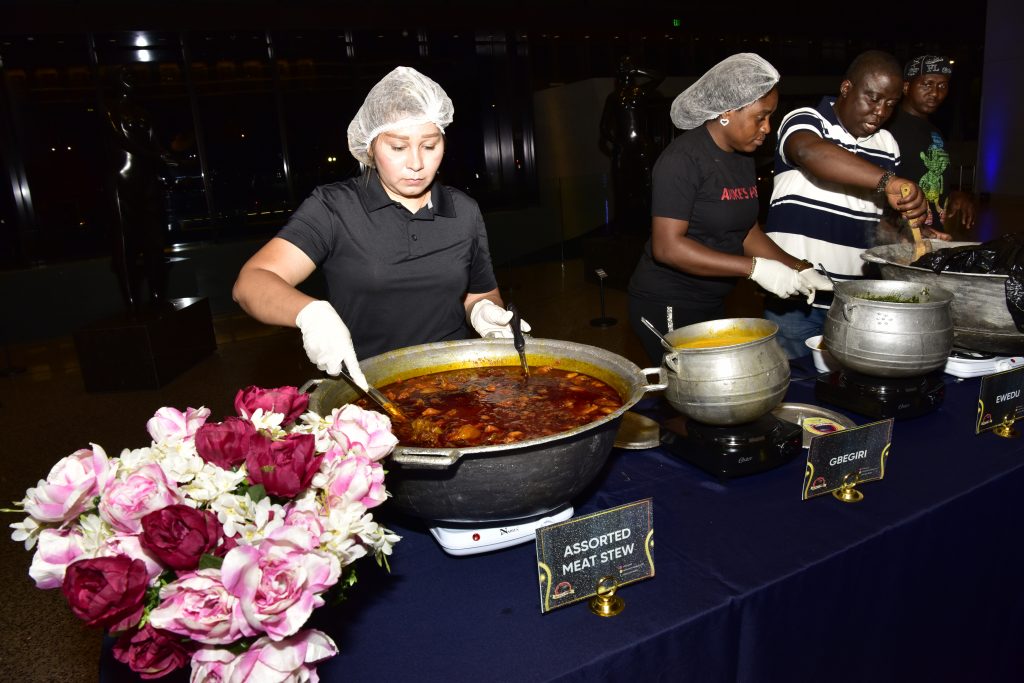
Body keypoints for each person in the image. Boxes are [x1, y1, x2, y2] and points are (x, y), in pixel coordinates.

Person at [232, 66, 529, 389]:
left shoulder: (463, 211)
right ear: (371, 147)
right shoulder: (334, 207)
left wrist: (483, 311)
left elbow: (481, 291)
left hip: (454, 384)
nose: (416, 163)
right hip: (367, 390)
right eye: (398, 148)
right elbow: (251, 283)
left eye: (429, 146)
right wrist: (309, 313)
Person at [626, 53, 832, 365]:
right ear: (727, 112)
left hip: (711, 300)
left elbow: (747, 230)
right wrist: (754, 268)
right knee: (689, 394)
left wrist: (800, 267)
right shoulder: (682, 160)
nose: (767, 128)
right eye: (760, 117)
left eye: (770, 117)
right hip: (668, 302)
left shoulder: (741, 157)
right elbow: (666, 247)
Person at [763, 50, 935, 358]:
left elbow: (875, 220)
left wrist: (909, 236)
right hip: (794, 299)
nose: (881, 111)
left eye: (891, 104)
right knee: (790, 395)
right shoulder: (806, 120)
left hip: (851, 304)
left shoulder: (887, 145)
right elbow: (810, 154)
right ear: (846, 88)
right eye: (873, 98)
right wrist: (888, 182)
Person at [106, 66, 176, 315]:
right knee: (126, 241)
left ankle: (157, 295)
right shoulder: (110, 110)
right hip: (122, 180)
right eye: (125, 75)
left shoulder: (143, 113)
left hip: (147, 180)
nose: (131, 80)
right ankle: (131, 301)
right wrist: (155, 155)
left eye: (133, 76)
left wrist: (164, 155)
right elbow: (123, 140)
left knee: (154, 239)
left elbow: (153, 140)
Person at [886, 55, 976, 234]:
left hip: (933, 237)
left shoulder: (935, 132)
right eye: (927, 84)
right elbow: (879, 187)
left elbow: (932, 178)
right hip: (899, 239)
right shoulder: (888, 127)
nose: (935, 93)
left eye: (942, 86)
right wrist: (905, 228)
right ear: (906, 87)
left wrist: (954, 195)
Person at [599, 57, 665, 232]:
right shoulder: (613, 98)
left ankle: (652, 226)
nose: (624, 70)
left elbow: (659, 76)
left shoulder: (639, 92)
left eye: (626, 67)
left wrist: (637, 70)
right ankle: (622, 227)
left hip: (642, 147)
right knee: (621, 188)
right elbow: (604, 127)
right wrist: (617, 144)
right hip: (624, 149)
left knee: (648, 185)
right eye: (621, 67)